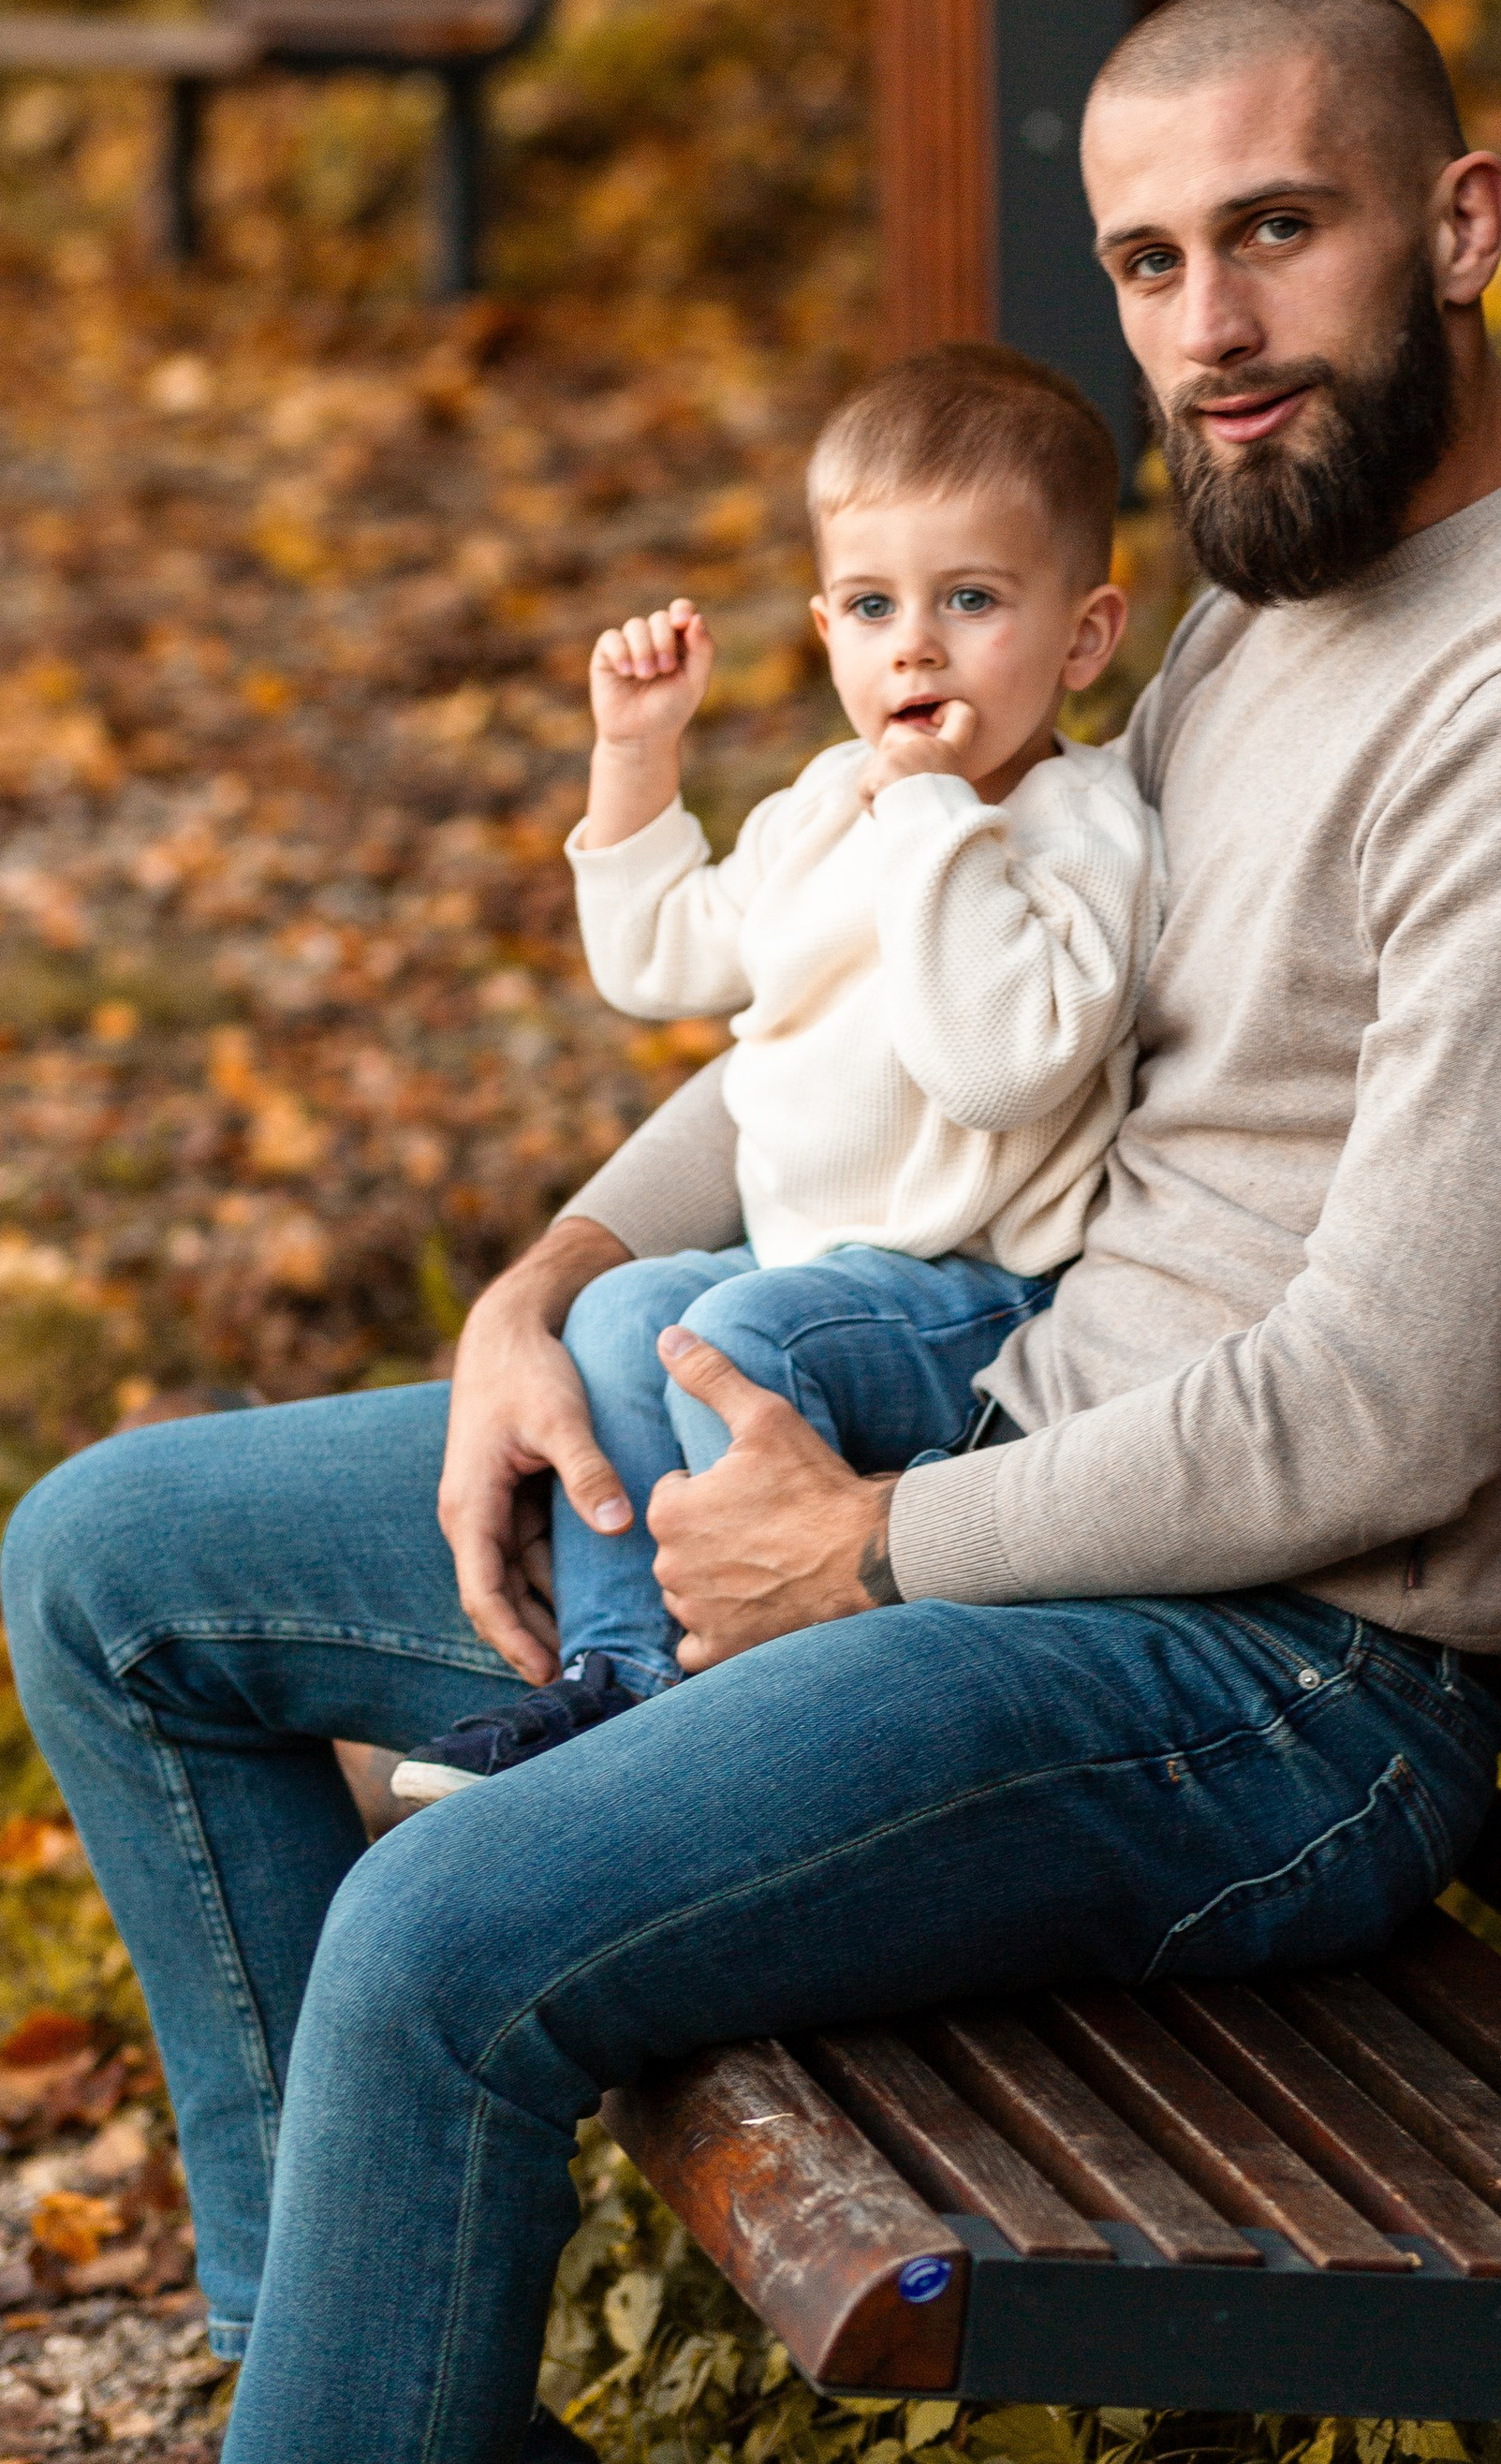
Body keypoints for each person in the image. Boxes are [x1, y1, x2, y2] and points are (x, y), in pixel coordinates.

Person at [0, 0, 1501, 2464]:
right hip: (1000, 1449)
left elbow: (1395, 1412)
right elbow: (917, 1013)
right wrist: (546, 1285)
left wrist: (864, 1548)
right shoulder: (1282, 597)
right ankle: (345, 2396)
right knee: (115, 1567)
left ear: (1465, 224)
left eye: (1281, 231)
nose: (1217, 327)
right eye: (1154, 259)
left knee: (436, 1935)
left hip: (1274, 1681)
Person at [391, 344, 1164, 1797]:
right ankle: (616, 1679)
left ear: (1083, 632)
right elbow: (667, 961)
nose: (916, 648)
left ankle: (742, 1713)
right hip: (811, 1270)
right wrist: (638, 759)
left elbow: (1000, 1066)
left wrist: (934, 817)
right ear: (826, 632)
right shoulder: (826, 802)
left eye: (974, 600)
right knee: (625, 1312)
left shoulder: (1084, 828)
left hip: (979, 1298)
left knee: (736, 1332)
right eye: (875, 607)